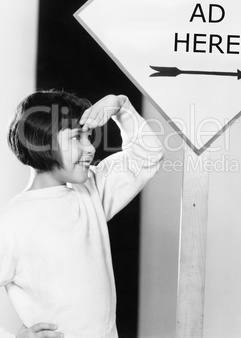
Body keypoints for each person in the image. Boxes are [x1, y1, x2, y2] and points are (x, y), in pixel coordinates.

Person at [0, 90, 163, 338]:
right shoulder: (13, 222)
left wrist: (121, 107)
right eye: (77, 137)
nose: (90, 148)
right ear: (43, 142)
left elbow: (147, 156)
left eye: (88, 137)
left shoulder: (90, 192)